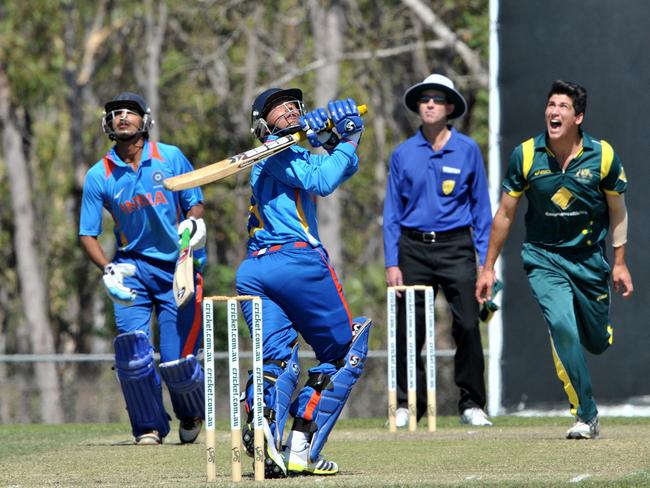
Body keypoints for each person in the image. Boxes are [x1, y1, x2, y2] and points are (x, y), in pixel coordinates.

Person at [476, 80, 633, 439]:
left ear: (578, 116)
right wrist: (487, 268)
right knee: (562, 326)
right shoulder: (527, 155)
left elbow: (618, 211)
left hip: (590, 260)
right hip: (543, 257)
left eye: (562, 106)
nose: (553, 112)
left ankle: (597, 329)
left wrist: (620, 262)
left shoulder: (603, 155)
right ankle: (586, 414)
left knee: (596, 342)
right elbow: (504, 214)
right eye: (550, 105)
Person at [235, 87, 372, 477]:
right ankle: (301, 446)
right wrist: (346, 140)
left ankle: (264, 422)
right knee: (345, 351)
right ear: (262, 123)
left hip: (255, 270)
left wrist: (337, 140)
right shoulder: (278, 149)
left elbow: (343, 167)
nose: (292, 110)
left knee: (278, 359)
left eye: (295, 105)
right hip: (297, 260)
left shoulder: (281, 153)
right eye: (280, 108)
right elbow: (325, 180)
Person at [79, 92, 207, 445]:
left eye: (129, 112)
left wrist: (193, 225)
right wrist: (108, 269)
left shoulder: (170, 157)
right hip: (131, 270)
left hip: (176, 268)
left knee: (175, 362)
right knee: (133, 357)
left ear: (144, 120)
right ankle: (148, 426)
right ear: (108, 124)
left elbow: (194, 203)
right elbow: (87, 234)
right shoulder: (99, 174)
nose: (122, 117)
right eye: (116, 113)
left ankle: (191, 411)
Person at [383, 74, 493, 428]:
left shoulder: (467, 150)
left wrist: (485, 264)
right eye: (424, 99)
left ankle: (472, 404)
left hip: (457, 246)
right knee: (407, 329)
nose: (429, 104)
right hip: (413, 248)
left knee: (467, 325)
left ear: (449, 109)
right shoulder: (403, 153)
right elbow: (391, 214)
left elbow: (481, 210)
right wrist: (391, 261)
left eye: (437, 99)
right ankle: (408, 404)